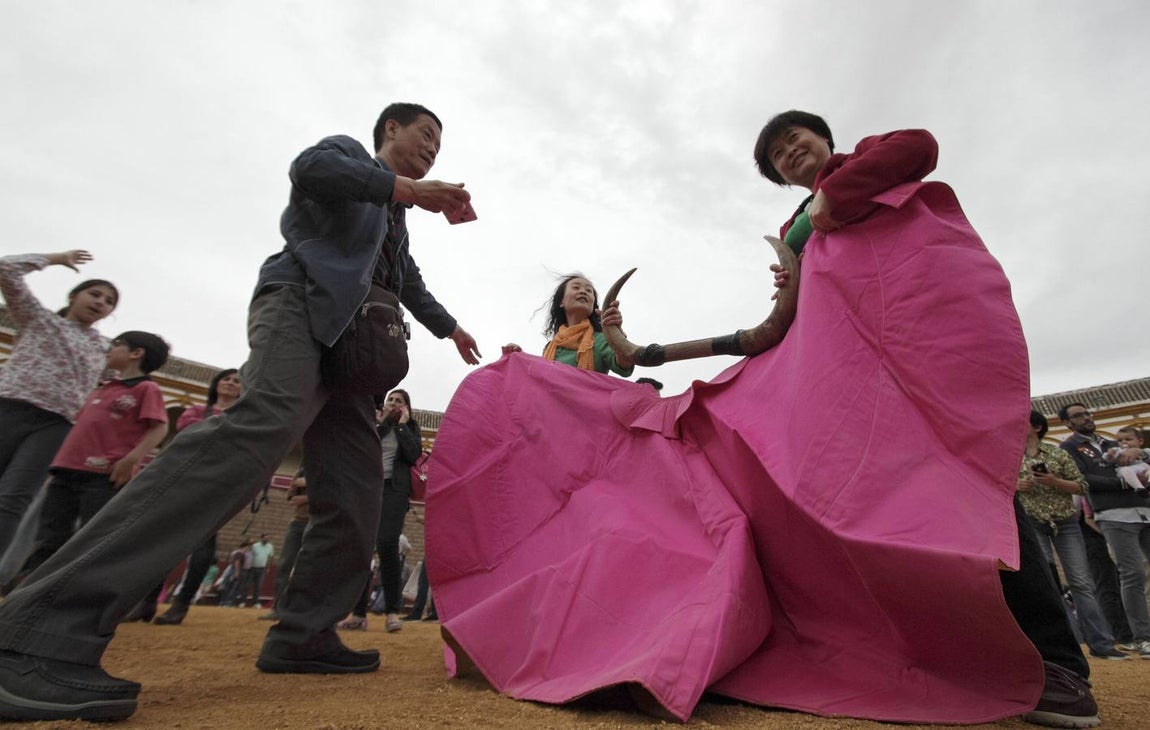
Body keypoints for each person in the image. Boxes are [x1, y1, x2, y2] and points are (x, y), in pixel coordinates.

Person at [426, 112, 1091, 727]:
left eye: (797, 139)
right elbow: (781, 330)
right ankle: (984, 655)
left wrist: (831, 204)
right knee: (857, 503)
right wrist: (801, 268)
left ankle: (1059, 663)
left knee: (968, 490)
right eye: (779, 154)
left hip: (912, 358)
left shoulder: (858, 170)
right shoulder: (800, 235)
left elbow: (919, 148)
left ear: (824, 141)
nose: (791, 151)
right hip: (847, 386)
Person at [0, 101, 478, 723]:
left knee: (357, 484)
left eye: (439, 143)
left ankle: (303, 631)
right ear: (391, 129)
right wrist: (408, 188)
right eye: (425, 135)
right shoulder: (347, 158)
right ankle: (37, 633)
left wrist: (450, 330)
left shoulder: (394, 215)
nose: (432, 148)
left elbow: (405, 276)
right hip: (299, 309)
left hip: (354, 348)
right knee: (258, 430)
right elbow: (309, 170)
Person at [20, 332, 169, 578]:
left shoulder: (146, 388)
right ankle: (34, 586)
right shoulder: (102, 388)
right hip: (66, 470)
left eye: (116, 345)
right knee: (49, 533)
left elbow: (160, 427)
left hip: (104, 474)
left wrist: (132, 459)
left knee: (92, 535)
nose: (108, 350)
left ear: (136, 353)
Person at [0, 251, 118, 558]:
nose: (101, 303)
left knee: (13, 499)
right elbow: (5, 268)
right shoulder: (38, 318)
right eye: (95, 294)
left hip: (55, 425)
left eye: (108, 302)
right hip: (8, 408)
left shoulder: (103, 348)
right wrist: (55, 258)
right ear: (74, 295)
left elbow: (127, 379)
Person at [1016, 410, 1128, 660]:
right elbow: (1000, 485)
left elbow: (1082, 486)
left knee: (1081, 583)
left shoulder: (1057, 453)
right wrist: (1017, 485)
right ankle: (1070, 644)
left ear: (1036, 426)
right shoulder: (1010, 458)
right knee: (1049, 584)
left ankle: (1101, 644)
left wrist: (1054, 482)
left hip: (1065, 522)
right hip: (1033, 523)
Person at [1059, 403, 1150, 660]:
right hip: (1113, 514)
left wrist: (1138, 450)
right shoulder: (1068, 448)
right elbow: (1085, 480)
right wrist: (1122, 482)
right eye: (1078, 415)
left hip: (1144, 509)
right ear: (1067, 423)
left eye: (1088, 413)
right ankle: (1142, 637)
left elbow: (1141, 461)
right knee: (1131, 573)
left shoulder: (1112, 443)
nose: (1086, 418)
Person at [153, 368, 243, 625]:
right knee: (163, 540)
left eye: (236, 381)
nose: (229, 383)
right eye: (226, 379)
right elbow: (186, 431)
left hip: (218, 482)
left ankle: (181, 602)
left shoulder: (227, 414)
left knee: (202, 545)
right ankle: (148, 600)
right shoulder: (198, 411)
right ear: (216, 384)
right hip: (186, 478)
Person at [338, 389, 424, 633]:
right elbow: (360, 448)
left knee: (387, 545)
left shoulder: (410, 428)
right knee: (361, 548)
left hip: (394, 492)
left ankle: (392, 612)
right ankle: (358, 613)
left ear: (407, 408)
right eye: (391, 400)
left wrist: (402, 425)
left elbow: (414, 454)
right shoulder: (374, 424)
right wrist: (382, 422)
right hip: (367, 488)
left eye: (400, 401)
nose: (394, 403)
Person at [501, 274, 633, 376]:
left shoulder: (600, 339)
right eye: (576, 287)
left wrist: (616, 334)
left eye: (589, 290)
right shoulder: (551, 346)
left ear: (593, 305)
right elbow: (540, 378)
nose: (583, 291)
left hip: (585, 410)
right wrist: (520, 357)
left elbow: (624, 366)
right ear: (561, 302)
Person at [260, 469, 308, 621]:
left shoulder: (326, 471)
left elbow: (333, 494)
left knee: (309, 567)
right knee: (285, 565)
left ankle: (305, 609)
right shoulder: (301, 471)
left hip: (318, 524)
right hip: (299, 523)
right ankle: (278, 608)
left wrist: (307, 493)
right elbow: (291, 497)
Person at [1101, 427, 1150, 494]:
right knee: (1125, 471)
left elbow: (1148, 453)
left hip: (1142, 467)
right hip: (1128, 468)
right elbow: (1108, 459)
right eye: (1120, 440)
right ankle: (1139, 488)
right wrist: (1109, 455)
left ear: (1140, 441)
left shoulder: (1142, 451)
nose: (1124, 442)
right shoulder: (1118, 450)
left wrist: (1140, 452)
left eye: (1128, 439)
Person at [246, 533, 275, 607]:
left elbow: (271, 557)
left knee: (258, 586)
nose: (267, 539)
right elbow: (249, 554)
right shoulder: (255, 546)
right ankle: (243, 601)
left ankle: (255, 602)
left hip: (262, 569)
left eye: (268, 538)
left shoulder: (270, 546)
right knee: (247, 585)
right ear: (262, 538)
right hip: (252, 568)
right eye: (265, 538)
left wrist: (269, 567)